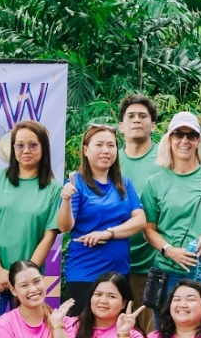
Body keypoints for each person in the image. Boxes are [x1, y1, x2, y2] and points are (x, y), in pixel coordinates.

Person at [141, 111, 201, 316]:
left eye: (191, 135)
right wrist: (169, 250)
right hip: (168, 271)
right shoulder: (155, 182)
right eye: (178, 134)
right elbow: (149, 230)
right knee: (165, 336)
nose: (184, 140)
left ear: (198, 140)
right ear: (169, 139)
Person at [0, 120, 61, 324]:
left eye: (33, 145)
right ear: (12, 149)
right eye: (20, 145)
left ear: (44, 148)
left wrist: (23, 277)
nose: (26, 150)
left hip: (29, 280)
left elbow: (49, 236)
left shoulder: (54, 189)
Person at [56, 124, 146, 314]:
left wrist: (108, 233)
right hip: (84, 271)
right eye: (99, 145)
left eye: (111, 145)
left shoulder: (124, 183)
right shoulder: (76, 183)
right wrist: (66, 199)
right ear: (86, 150)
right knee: (81, 332)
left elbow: (140, 221)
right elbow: (64, 226)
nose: (106, 151)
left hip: (119, 272)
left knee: (115, 334)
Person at [117, 96, 160, 316]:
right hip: (115, 262)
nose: (136, 120)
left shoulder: (166, 159)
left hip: (154, 264)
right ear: (121, 126)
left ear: (153, 125)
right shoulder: (109, 160)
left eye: (143, 116)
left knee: (150, 335)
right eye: (131, 116)